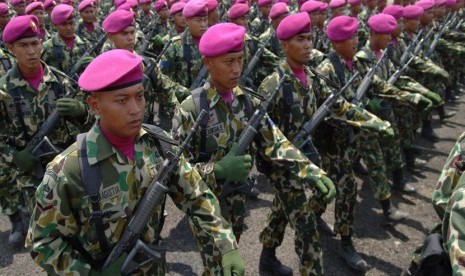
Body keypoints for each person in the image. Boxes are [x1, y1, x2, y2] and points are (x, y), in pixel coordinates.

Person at [26, 49, 245, 275]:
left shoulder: (159, 145)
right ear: (95, 105)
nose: (135, 109)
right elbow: (43, 242)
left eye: (139, 96)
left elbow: (196, 195)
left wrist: (226, 244)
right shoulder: (69, 169)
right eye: (122, 100)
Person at [172, 21, 336, 276]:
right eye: (229, 62)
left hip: (237, 204)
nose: (237, 68)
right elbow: (175, 174)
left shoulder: (246, 101)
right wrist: (218, 169)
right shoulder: (190, 109)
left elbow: (275, 141)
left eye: (240, 59)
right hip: (207, 209)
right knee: (217, 268)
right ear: (207, 63)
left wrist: (312, 171)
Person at [0, 15, 88, 245]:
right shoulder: (4, 91)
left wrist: (82, 113)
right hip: (30, 174)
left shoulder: (62, 82)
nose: (31, 51)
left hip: (68, 167)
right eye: (23, 45)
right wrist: (14, 156)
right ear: (10, 49)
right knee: (48, 234)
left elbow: (93, 124)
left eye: (35, 43)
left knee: (82, 227)